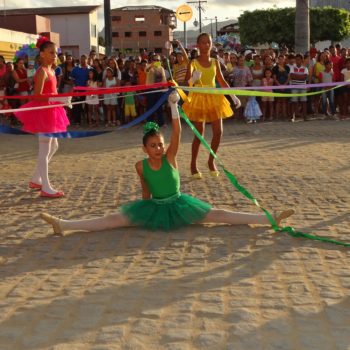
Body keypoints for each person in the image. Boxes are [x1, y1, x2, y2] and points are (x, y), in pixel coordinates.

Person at [40, 91, 295, 234]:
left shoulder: (170, 156)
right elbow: (145, 192)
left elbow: (178, 132)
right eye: (153, 146)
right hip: (155, 208)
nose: (159, 148)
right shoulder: (140, 165)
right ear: (144, 148)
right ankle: (64, 225)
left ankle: (269, 218)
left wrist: (174, 106)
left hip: (180, 205)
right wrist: (143, 211)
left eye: (160, 144)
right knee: (112, 220)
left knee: (218, 214)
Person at [13, 36, 70, 198]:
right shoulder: (42, 71)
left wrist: (62, 99)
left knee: (54, 146)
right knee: (44, 150)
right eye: (51, 52)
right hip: (44, 112)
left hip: (52, 110)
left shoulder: (52, 70)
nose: (54, 55)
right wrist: (56, 98)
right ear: (42, 54)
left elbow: (52, 91)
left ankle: (36, 179)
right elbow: (37, 96)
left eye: (55, 53)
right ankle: (45, 186)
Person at [183, 33, 241, 179]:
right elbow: (186, 85)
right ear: (198, 45)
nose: (206, 45)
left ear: (211, 44)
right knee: (199, 134)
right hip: (199, 98)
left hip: (214, 97)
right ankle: (193, 165)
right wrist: (193, 79)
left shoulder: (215, 62)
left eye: (208, 42)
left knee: (218, 131)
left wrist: (233, 95)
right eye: (203, 42)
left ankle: (211, 161)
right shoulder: (193, 63)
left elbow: (221, 80)